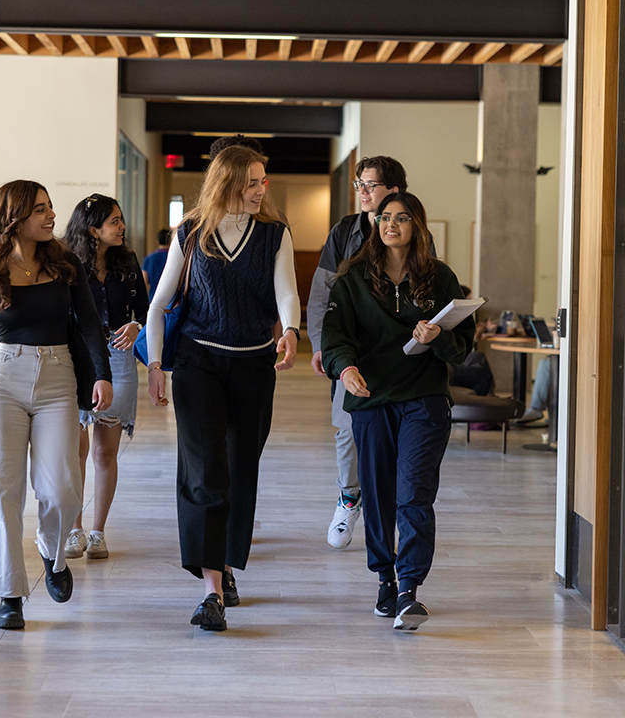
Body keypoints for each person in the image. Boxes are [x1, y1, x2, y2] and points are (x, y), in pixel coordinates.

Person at [146, 145, 300, 632]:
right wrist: (154, 363)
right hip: (198, 362)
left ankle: (228, 564)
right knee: (204, 469)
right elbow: (158, 304)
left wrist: (291, 330)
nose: (261, 189)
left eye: (263, 180)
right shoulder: (190, 233)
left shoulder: (275, 234)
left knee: (238, 468)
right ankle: (210, 589)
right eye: (252, 182)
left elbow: (287, 292)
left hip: (254, 363)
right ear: (228, 183)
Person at [0, 180, 113, 632]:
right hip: (5, 379)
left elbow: (90, 327)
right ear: (14, 217)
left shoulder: (67, 265)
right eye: (40, 209)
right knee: (4, 490)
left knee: (62, 487)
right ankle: (9, 593)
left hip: (59, 375)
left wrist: (102, 373)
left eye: (50, 207)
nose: (51, 215)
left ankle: (52, 551)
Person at [321, 191, 474, 630]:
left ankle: (409, 588)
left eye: (401, 218)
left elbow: (463, 348)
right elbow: (335, 336)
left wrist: (435, 339)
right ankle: (384, 579)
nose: (391, 225)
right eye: (384, 217)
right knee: (380, 495)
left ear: (417, 226)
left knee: (414, 494)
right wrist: (344, 367)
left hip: (425, 399)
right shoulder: (353, 279)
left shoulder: (441, 278)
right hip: (371, 399)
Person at [308, 155, 409, 550]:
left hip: (399, 352)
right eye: (359, 185)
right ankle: (349, 497)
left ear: (395, 191)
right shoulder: (345, 231)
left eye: (371, 185)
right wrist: (319, 344)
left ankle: (391, 508)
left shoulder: (413, 231)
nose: (363, 193)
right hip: (350, 348)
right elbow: (321, 293)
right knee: (347, 430)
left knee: (398, 434)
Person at [61, 194, 149, 561]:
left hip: (120, 356)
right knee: (76, 451)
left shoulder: (127, 261)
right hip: (78, 357)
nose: (122, 226)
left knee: (104, 451)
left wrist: (135, 324)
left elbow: (145, 309)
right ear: (93, 230)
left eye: (120, 219)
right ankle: (74, 529)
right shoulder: (66, 263)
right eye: (114, 221)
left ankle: (98, 532)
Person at [142, 228, 171, 302]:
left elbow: (144, 282)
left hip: (153, 298)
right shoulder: (173, 258)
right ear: (170, 241)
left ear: (157, 242)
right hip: (171, 299)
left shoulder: (149, 258)